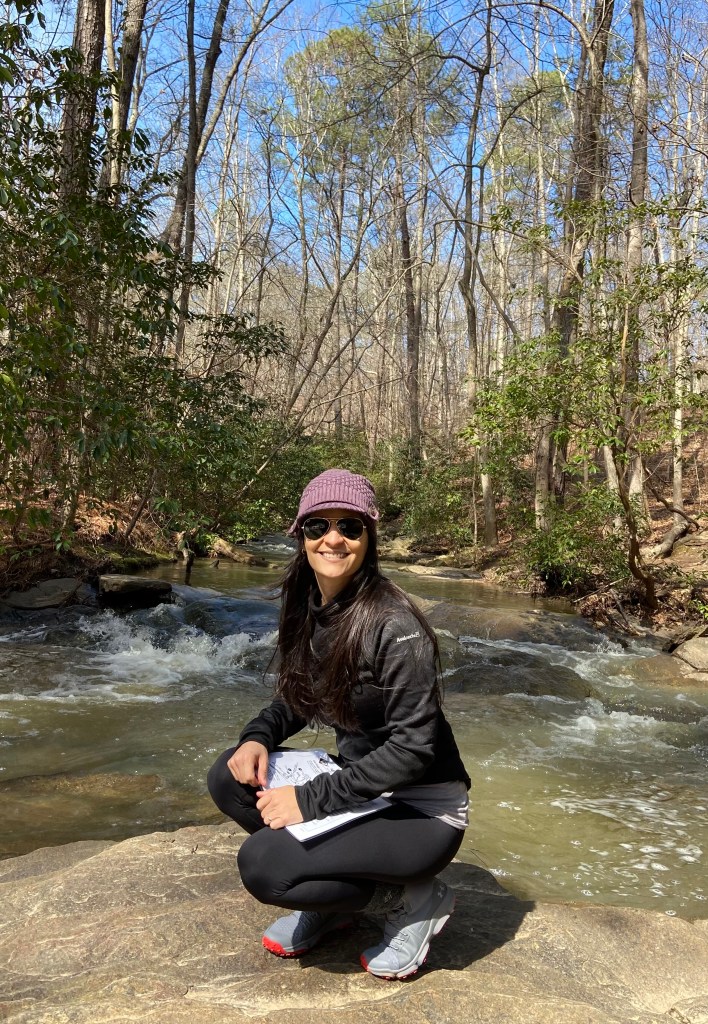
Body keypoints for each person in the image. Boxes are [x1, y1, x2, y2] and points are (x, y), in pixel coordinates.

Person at [207, 468, 470, 979]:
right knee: (229, 776)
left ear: (369, 538)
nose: (333, 538)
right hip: (367, 789)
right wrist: (257, 736)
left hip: (422, 809)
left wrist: (309, 800)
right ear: (300, 535)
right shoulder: (312, 605)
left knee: (265, 866)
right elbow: (301, 698)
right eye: (317, 526)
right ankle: (333, 902)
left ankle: (410, 902)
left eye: (350, 526)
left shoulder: (395, 625)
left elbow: (413, 749)